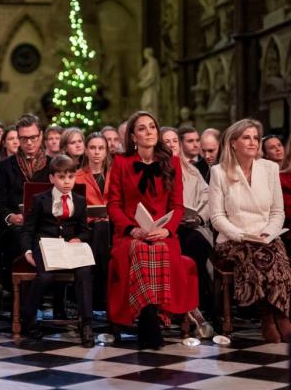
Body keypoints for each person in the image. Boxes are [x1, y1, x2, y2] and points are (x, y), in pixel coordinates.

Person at [107, 111, 198, 349]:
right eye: (142, 128)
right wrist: (131, 229)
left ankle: (152, 316)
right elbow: (113, 205)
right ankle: (149, 315)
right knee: (139, 248)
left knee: (158, 248)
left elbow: (177, 206)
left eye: (152, 127)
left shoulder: (173, 163)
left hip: (163, 233)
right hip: (130, 234)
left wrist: (167, 230)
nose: (149, 132)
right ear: (133, 136)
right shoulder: (120, 162)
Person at [209, 118, 291, 343]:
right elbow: (217, 217)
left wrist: (267, 233)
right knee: (255, 256)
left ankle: (281, 314)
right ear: (233, 142)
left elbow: (277, 212)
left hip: (266, 236)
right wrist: (241, 235)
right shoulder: (219, 172)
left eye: (255, 137)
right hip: (234, 239)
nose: (253, 142)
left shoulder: (270, 168)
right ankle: (266, 317)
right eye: (246, 137)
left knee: (278, 257)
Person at [21, 155, 94, 346]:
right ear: (52, 178)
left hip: (70, 247)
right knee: (45, 277)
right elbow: (28, 229)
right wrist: (28, 251)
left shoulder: (79, 200)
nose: (67, 181)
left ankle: (86, 324)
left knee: (85, 272)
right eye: (62, 177)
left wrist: (79, 238)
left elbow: (85, 230)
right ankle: (28, 319)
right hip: (45, 246)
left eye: (70, 177)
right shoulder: (40, 199)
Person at [161, 127, 214, 337]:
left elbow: (208, 198)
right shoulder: (155, 170)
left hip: (190, 225)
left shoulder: (192, 171)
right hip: (165, 228)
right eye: (167, 141)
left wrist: (199, 217)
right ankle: (188, 307)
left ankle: (195, 303)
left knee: (197, 243)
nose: (172, 145)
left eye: (175, 140)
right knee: (175, 247)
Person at [0, 114, 51, 289]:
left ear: (40, 135)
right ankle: (17, 294)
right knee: (18, 236)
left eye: (33, 137)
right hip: (17, 224)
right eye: (24, 138)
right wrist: (10, 216)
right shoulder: (5, 166)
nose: (29, 143)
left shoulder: (53, 165)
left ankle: (45, 294)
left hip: (46, 223)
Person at [75, 132, 111, 308]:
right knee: (99, 227)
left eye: (101, 148)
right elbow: (75, 210)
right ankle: (101, 287)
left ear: (106, 152)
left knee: (103, 226)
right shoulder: (77, 177)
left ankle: (97, 284)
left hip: (113, 226)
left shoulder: (114, 175)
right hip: (88, 228)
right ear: (86, 151)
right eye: (93, 148)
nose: (97, 152)